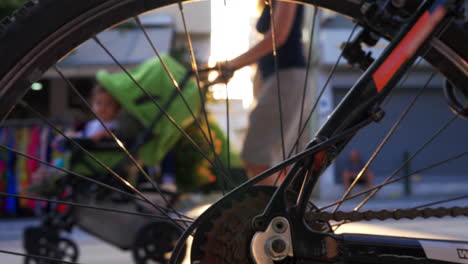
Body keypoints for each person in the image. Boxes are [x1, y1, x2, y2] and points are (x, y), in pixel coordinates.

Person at [211, 0, 309, 184]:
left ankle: (271, 211)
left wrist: (233, 64)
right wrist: (231, 68)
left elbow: (278, 37)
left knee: (257, 157)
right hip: (278, 78)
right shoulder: (267, 3)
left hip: (286, 78)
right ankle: (281, 209)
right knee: (276, 161)